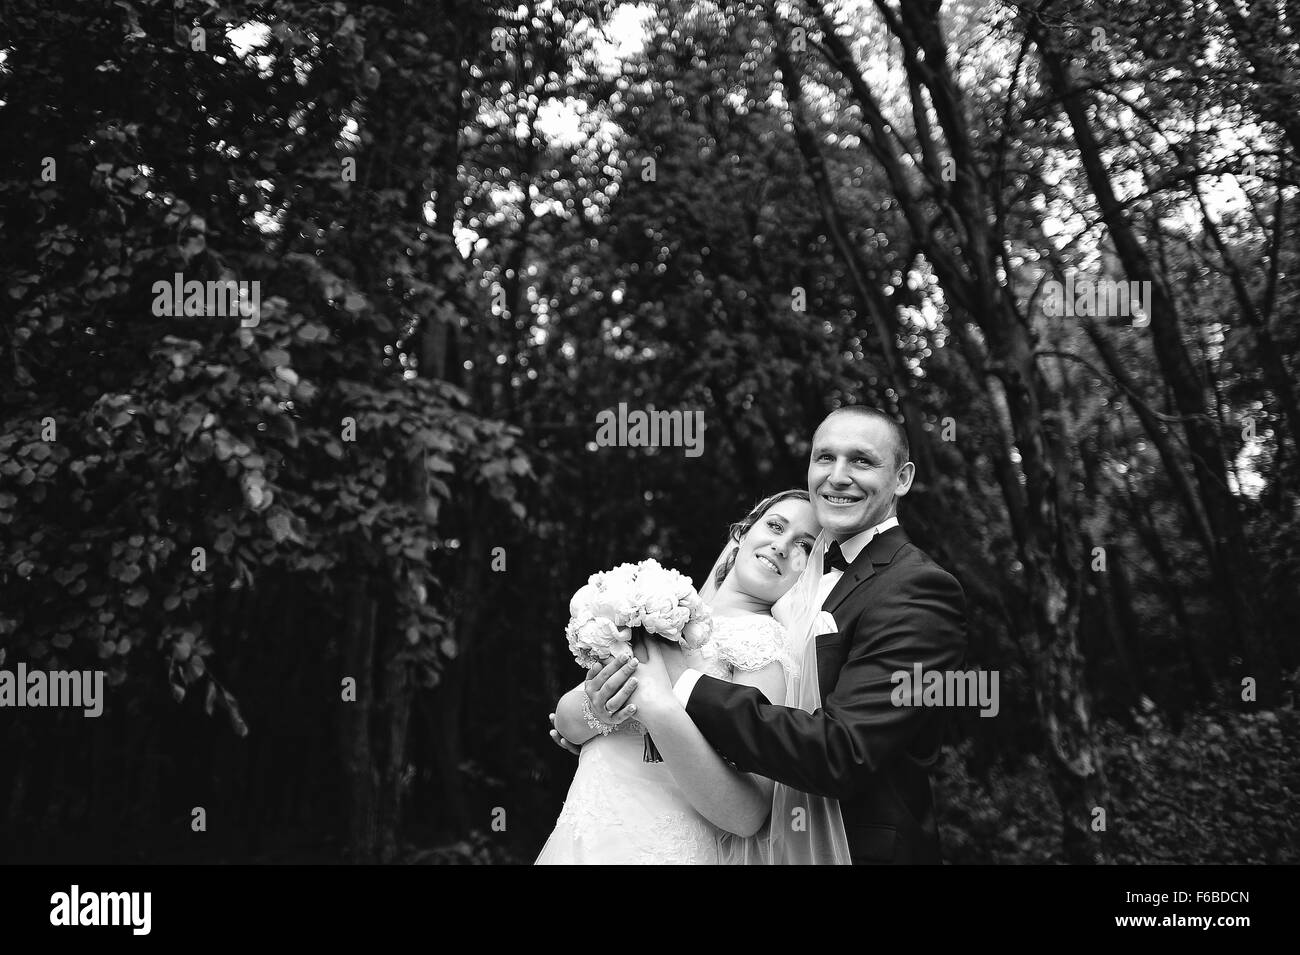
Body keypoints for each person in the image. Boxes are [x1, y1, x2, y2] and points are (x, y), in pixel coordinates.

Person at [589, 406, 969, 864]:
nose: (838, 476)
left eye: (862, 461)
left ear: (903, 478)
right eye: (825, 458)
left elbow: (845, 752)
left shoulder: (918, 587)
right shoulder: (792, 586)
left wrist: (680, 685)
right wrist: (606, 720)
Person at [536, 490, 819, 864]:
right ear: (742, 533)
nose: (782, 546)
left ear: (811, 571)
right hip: (582, 839)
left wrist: (658, 708)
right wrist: (601, 710)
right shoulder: (661, 611)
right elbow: (569, 723)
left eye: (804, 546)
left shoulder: (764, 647)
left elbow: (747, 815)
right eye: (775, 526)